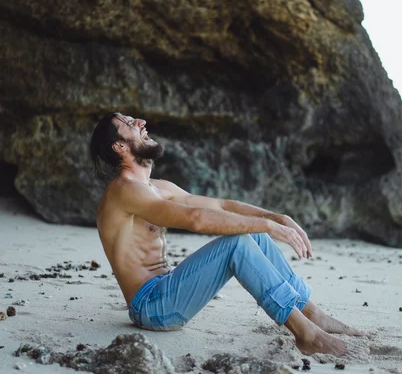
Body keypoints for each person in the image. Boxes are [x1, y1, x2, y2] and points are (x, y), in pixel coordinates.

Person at [90, 112, 366, 357]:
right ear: (119, 146)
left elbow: (221, 205)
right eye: (128, 123)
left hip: (169, 286)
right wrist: (267, 226)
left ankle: (310, 312)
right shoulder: (124, 190)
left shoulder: (159, 186)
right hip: (151, 307)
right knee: (239, 241)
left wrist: (273, 217)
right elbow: (195, 220)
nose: (140, 122)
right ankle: (306, 334)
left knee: (255, 236)